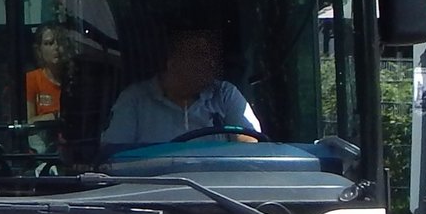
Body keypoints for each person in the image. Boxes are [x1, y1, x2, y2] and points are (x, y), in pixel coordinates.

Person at [100, 28, 260, 146]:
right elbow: (115, 153)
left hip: (217, 185)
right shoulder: (135, 99)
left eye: (211, 56)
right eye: (199, 55)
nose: (210, 63)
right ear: (172, 63)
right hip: (155, 186)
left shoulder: (224, 93)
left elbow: (250, 140)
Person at [25, 24, 68, 122]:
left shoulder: (74, 78)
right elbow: (29, 122)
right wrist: (56, 116)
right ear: (39, 50)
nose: (56, 47)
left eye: (60, 42)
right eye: (49, 43)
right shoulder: (32, 79)